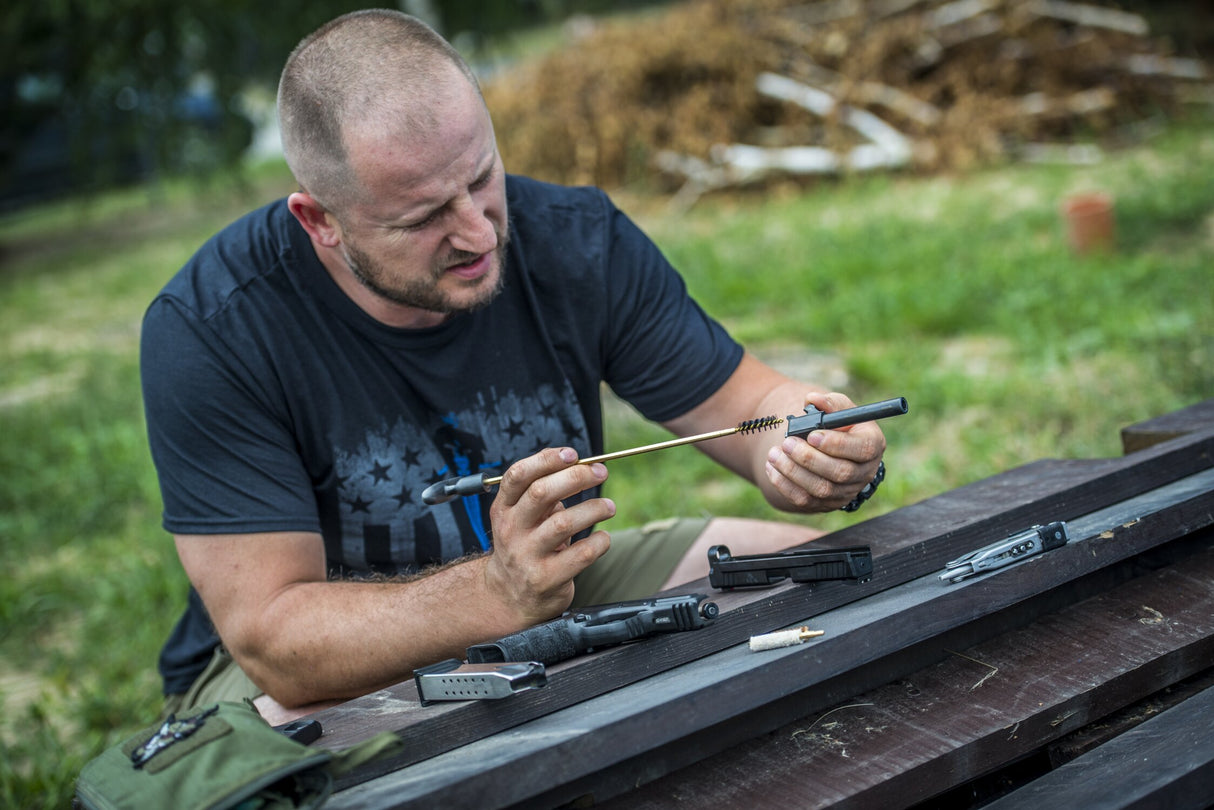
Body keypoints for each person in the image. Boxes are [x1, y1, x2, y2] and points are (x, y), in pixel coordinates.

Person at [140, 9, 887, 722]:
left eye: (480, 178)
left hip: (548, 583)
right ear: (320, 221)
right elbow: (277, 643)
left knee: (818, 574)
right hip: (327, 658)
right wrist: (493, 594)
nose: (477, 233)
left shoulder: (577, 241)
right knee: (331, 754)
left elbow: (751, 412)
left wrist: (809, 446)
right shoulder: (213, 329)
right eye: (423, 217)